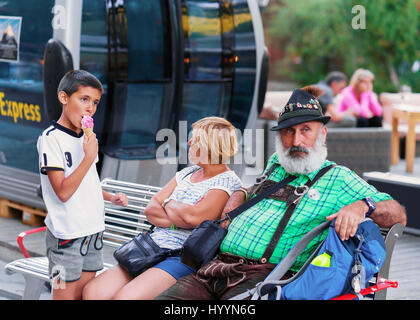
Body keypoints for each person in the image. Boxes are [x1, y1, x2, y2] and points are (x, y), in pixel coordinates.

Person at [155, 86, 407, 300]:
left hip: (265, 278)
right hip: (213, 267)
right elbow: (254, 188)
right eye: (288, 131)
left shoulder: (338, 178)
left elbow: (397, 214)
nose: (296, 140)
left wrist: (362, 206)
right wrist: (240, 194)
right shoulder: (277, 163)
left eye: (305, 130)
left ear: (323, 133)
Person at [82, 116, 243, 300]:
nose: (189, 143)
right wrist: (177, 219)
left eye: (196, 140)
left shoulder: (228, 182)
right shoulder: (187, 172)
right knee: (93, 293)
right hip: (151, 246)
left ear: (211, 146)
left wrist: (167, 203)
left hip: (181, 256)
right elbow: (150, 209)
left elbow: (193, 218)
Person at [37, 70, 129, 300]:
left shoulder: (87, 138)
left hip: (93, 233)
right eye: (84, 99)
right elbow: (64, 192)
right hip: (65, 238)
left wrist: (110, 197)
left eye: (95, 102)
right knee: (62, 296)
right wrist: (88, 157)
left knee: (84, 296)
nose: (90, 108)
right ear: (64, 98)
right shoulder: (50, 139)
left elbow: (87, 182)